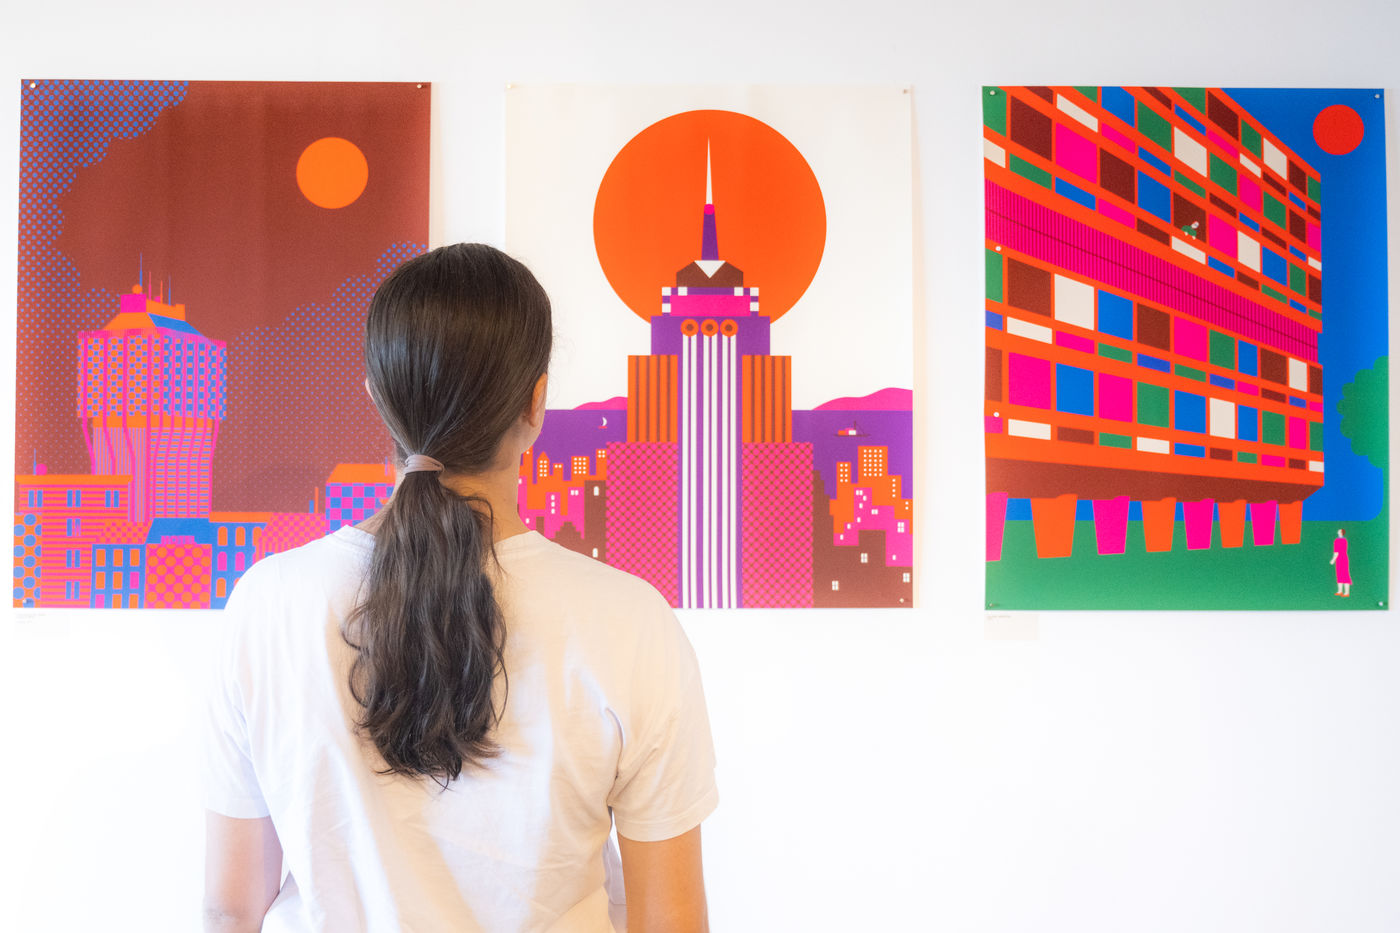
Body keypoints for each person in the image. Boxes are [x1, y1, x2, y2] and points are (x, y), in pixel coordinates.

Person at [202, 243, 717, 932]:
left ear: (377, 397)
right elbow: (670, 920)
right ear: (536, 402)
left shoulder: (268, 603)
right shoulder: (630, 621)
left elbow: (230, 907)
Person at [1330, 527, 1352, 597]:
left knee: (1343, 575)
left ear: (1341, 533)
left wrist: (1333, 560)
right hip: (1343, 558)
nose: (1337, 532)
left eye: (1339, 531)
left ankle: (1346, 592)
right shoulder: (1345, 540)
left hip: (1340, 558)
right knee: (1340, 574)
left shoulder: (1337, 541)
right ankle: (1340, 591)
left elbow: (1336, 551)